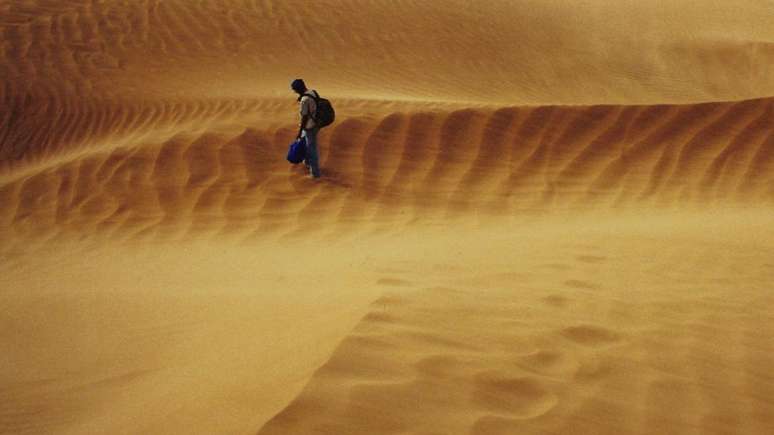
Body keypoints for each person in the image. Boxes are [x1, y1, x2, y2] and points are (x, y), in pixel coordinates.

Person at [291, 79, 321, 178]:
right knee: (306, 143)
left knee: (311, 148)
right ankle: (307, 162)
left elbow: (304, 117)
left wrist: (300, 131)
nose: (294, 92)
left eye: (295, 89)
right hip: (316, 123)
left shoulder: (305, 100)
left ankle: (315, 173)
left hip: (309, 126)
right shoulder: (313, 92)